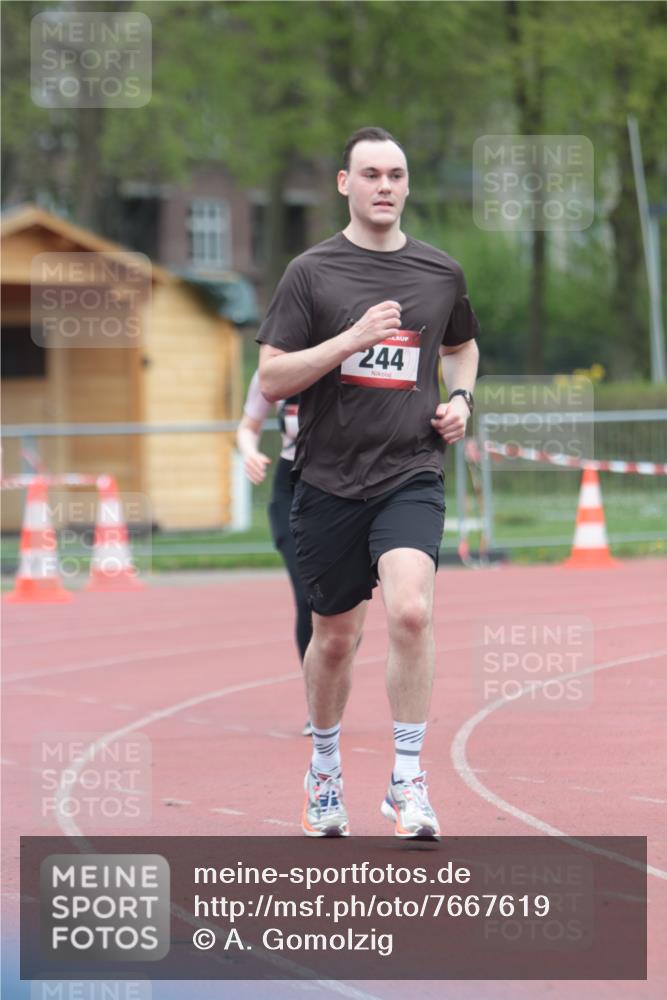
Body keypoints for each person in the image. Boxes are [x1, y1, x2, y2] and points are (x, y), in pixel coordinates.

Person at [257, 126, 480, 839]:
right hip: (326, 479)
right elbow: (272, 376)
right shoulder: (310, 273)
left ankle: (407, 779)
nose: (385, 186)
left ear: (407, 185)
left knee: (411, 612)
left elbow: (462, 346)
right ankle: (324, 772)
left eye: (396, 175)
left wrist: (460, 399)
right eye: (371, 174)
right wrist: (350, 339)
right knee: (334, 638)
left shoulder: (439, 272)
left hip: (410, 470)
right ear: (344, 184)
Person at [236, 374, 313, 735]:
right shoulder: (277, 369)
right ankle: (318, 703)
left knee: (342, 613)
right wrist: (250, 453)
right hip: (291, 488)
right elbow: (247, 426)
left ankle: (335, 660)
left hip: (344, 488)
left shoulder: (349, 356)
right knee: (308, 597)